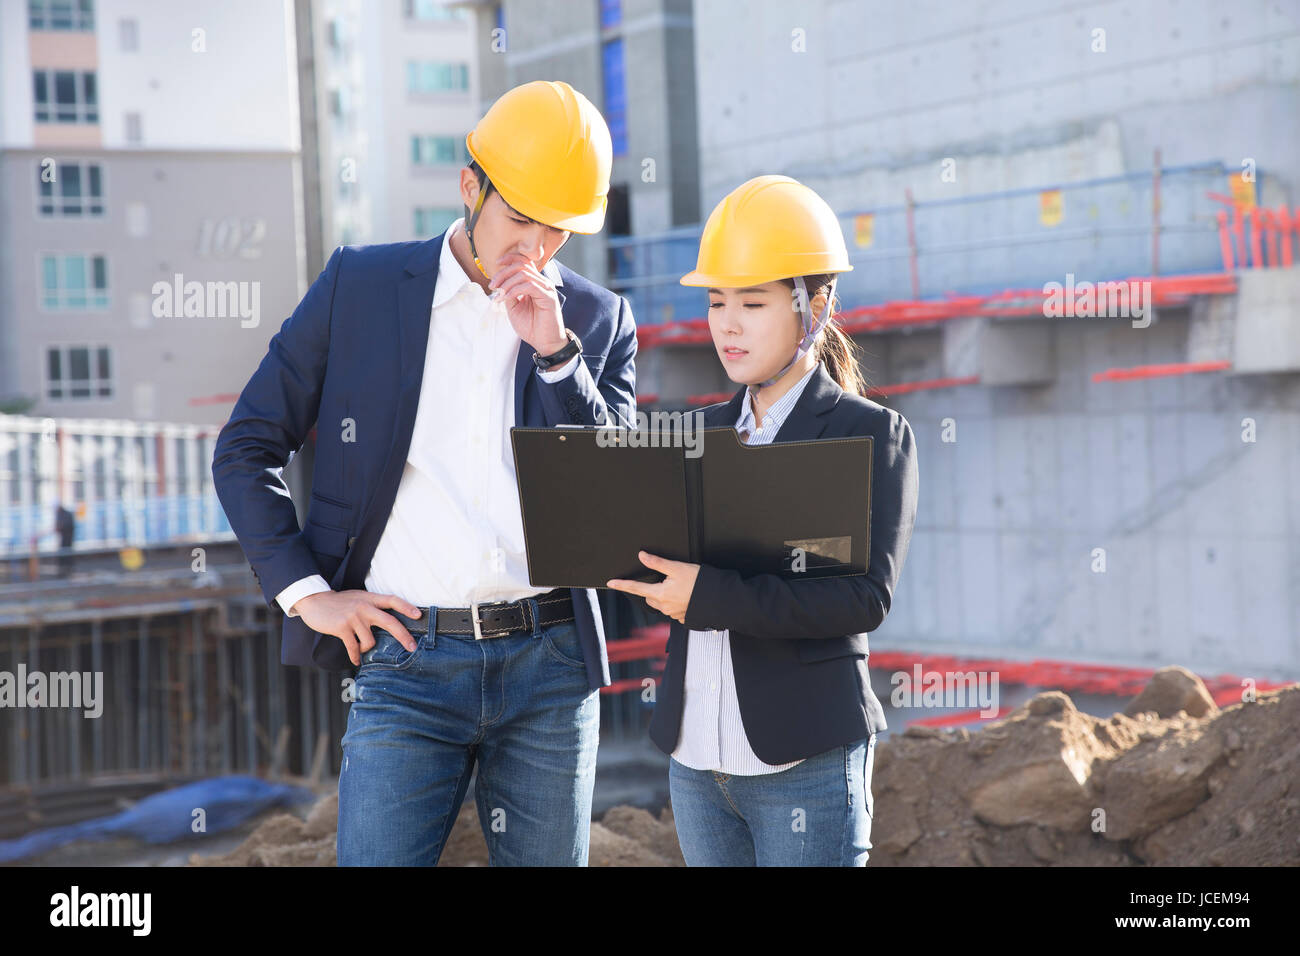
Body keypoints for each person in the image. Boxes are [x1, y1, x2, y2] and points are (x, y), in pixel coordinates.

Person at [212, 80, 638, 866]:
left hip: (549, 665)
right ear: (470, 186)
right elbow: (245, 445)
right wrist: (310, 596)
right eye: (518, 220)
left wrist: (556, 357)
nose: (533, 252)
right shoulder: (360, 288)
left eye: (557, 233)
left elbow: (616, 496)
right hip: (408, 662)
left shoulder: (595, 320)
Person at [608, 175, 919, 866]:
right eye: (718, 301)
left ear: (817, 305)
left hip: (803, 762)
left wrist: (706, 596)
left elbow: (862, 598)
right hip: (694, 764)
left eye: (752, 302)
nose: (728, 323)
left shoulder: (867, 434)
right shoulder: (694, 434)